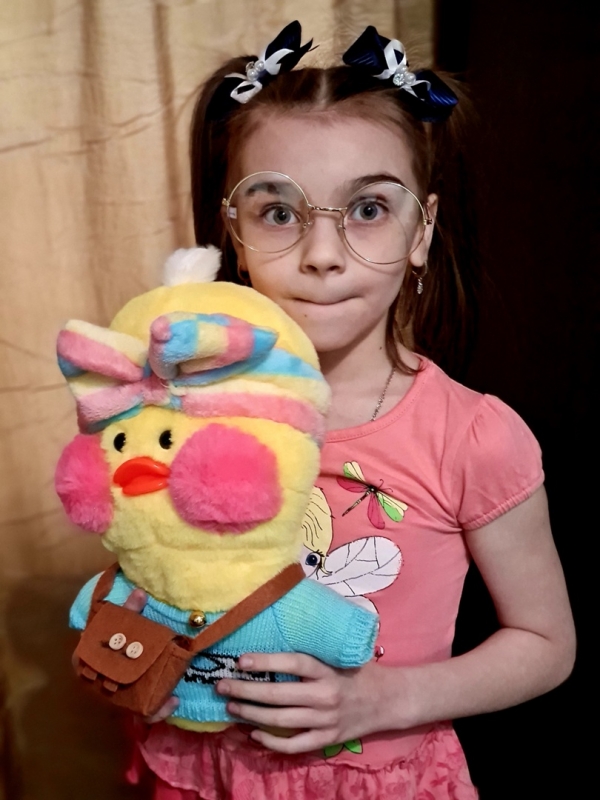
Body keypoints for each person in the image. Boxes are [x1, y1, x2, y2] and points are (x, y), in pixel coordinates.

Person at [127, 21, 576, 800]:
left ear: (421, 230)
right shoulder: (183, 405)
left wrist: (381, 699)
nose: (323, 254)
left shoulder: (473, 435)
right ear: (233, 232)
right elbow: (150, 572)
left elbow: (546, 643)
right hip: (205, 777)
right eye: (278, 213)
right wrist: (141, 657)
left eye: (368, 208)